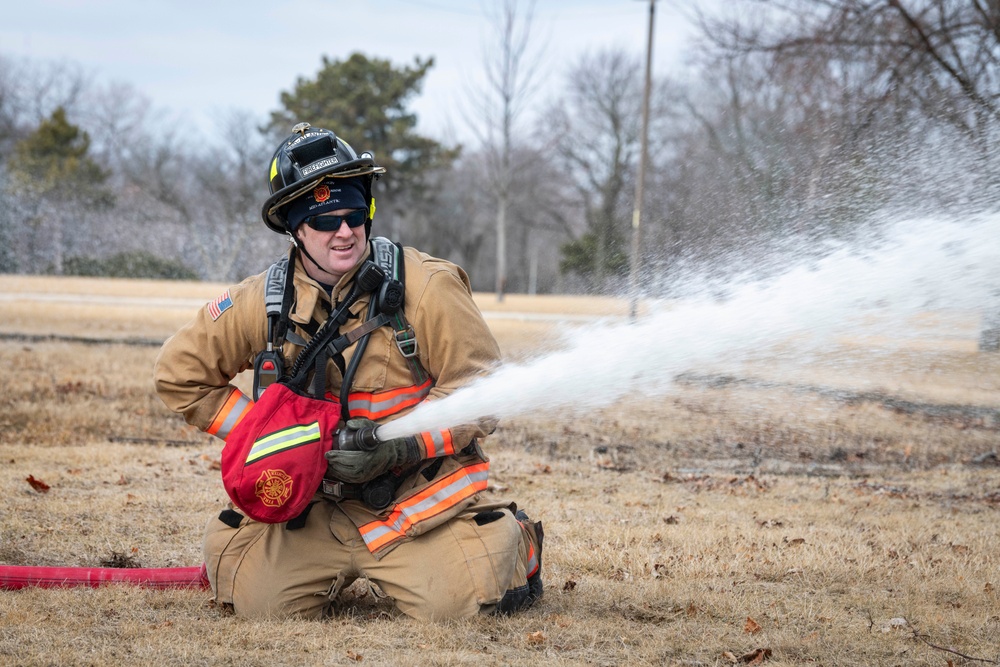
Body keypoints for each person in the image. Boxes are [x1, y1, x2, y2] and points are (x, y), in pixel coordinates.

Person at [153, 123, 543, 620]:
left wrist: (401, 445)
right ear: (295, 229)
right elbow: (178, 375)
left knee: (459, 604)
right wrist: (274, 436)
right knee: (259, 607)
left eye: (354, 214)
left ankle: (519, 544)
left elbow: (485, 391)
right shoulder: (261, 302)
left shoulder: (427, 287)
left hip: (415, 499)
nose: (344, 231)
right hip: (311, 505)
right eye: (323, 219)